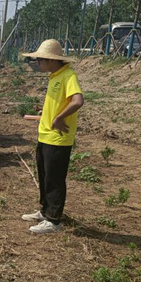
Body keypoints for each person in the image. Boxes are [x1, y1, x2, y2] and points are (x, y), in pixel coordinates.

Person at [20, 39, 85, 234]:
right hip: (45, 135)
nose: (38, 62)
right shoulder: (54, 76)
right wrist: (47, 113)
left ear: (52, 59)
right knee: (45, 176)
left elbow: (78, 101)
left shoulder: (68, 76)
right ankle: (45, 211)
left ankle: (54, 220)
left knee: (54, 179)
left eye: (40, 59)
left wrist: (58, 118)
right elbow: (59, 102)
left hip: (58, 138)